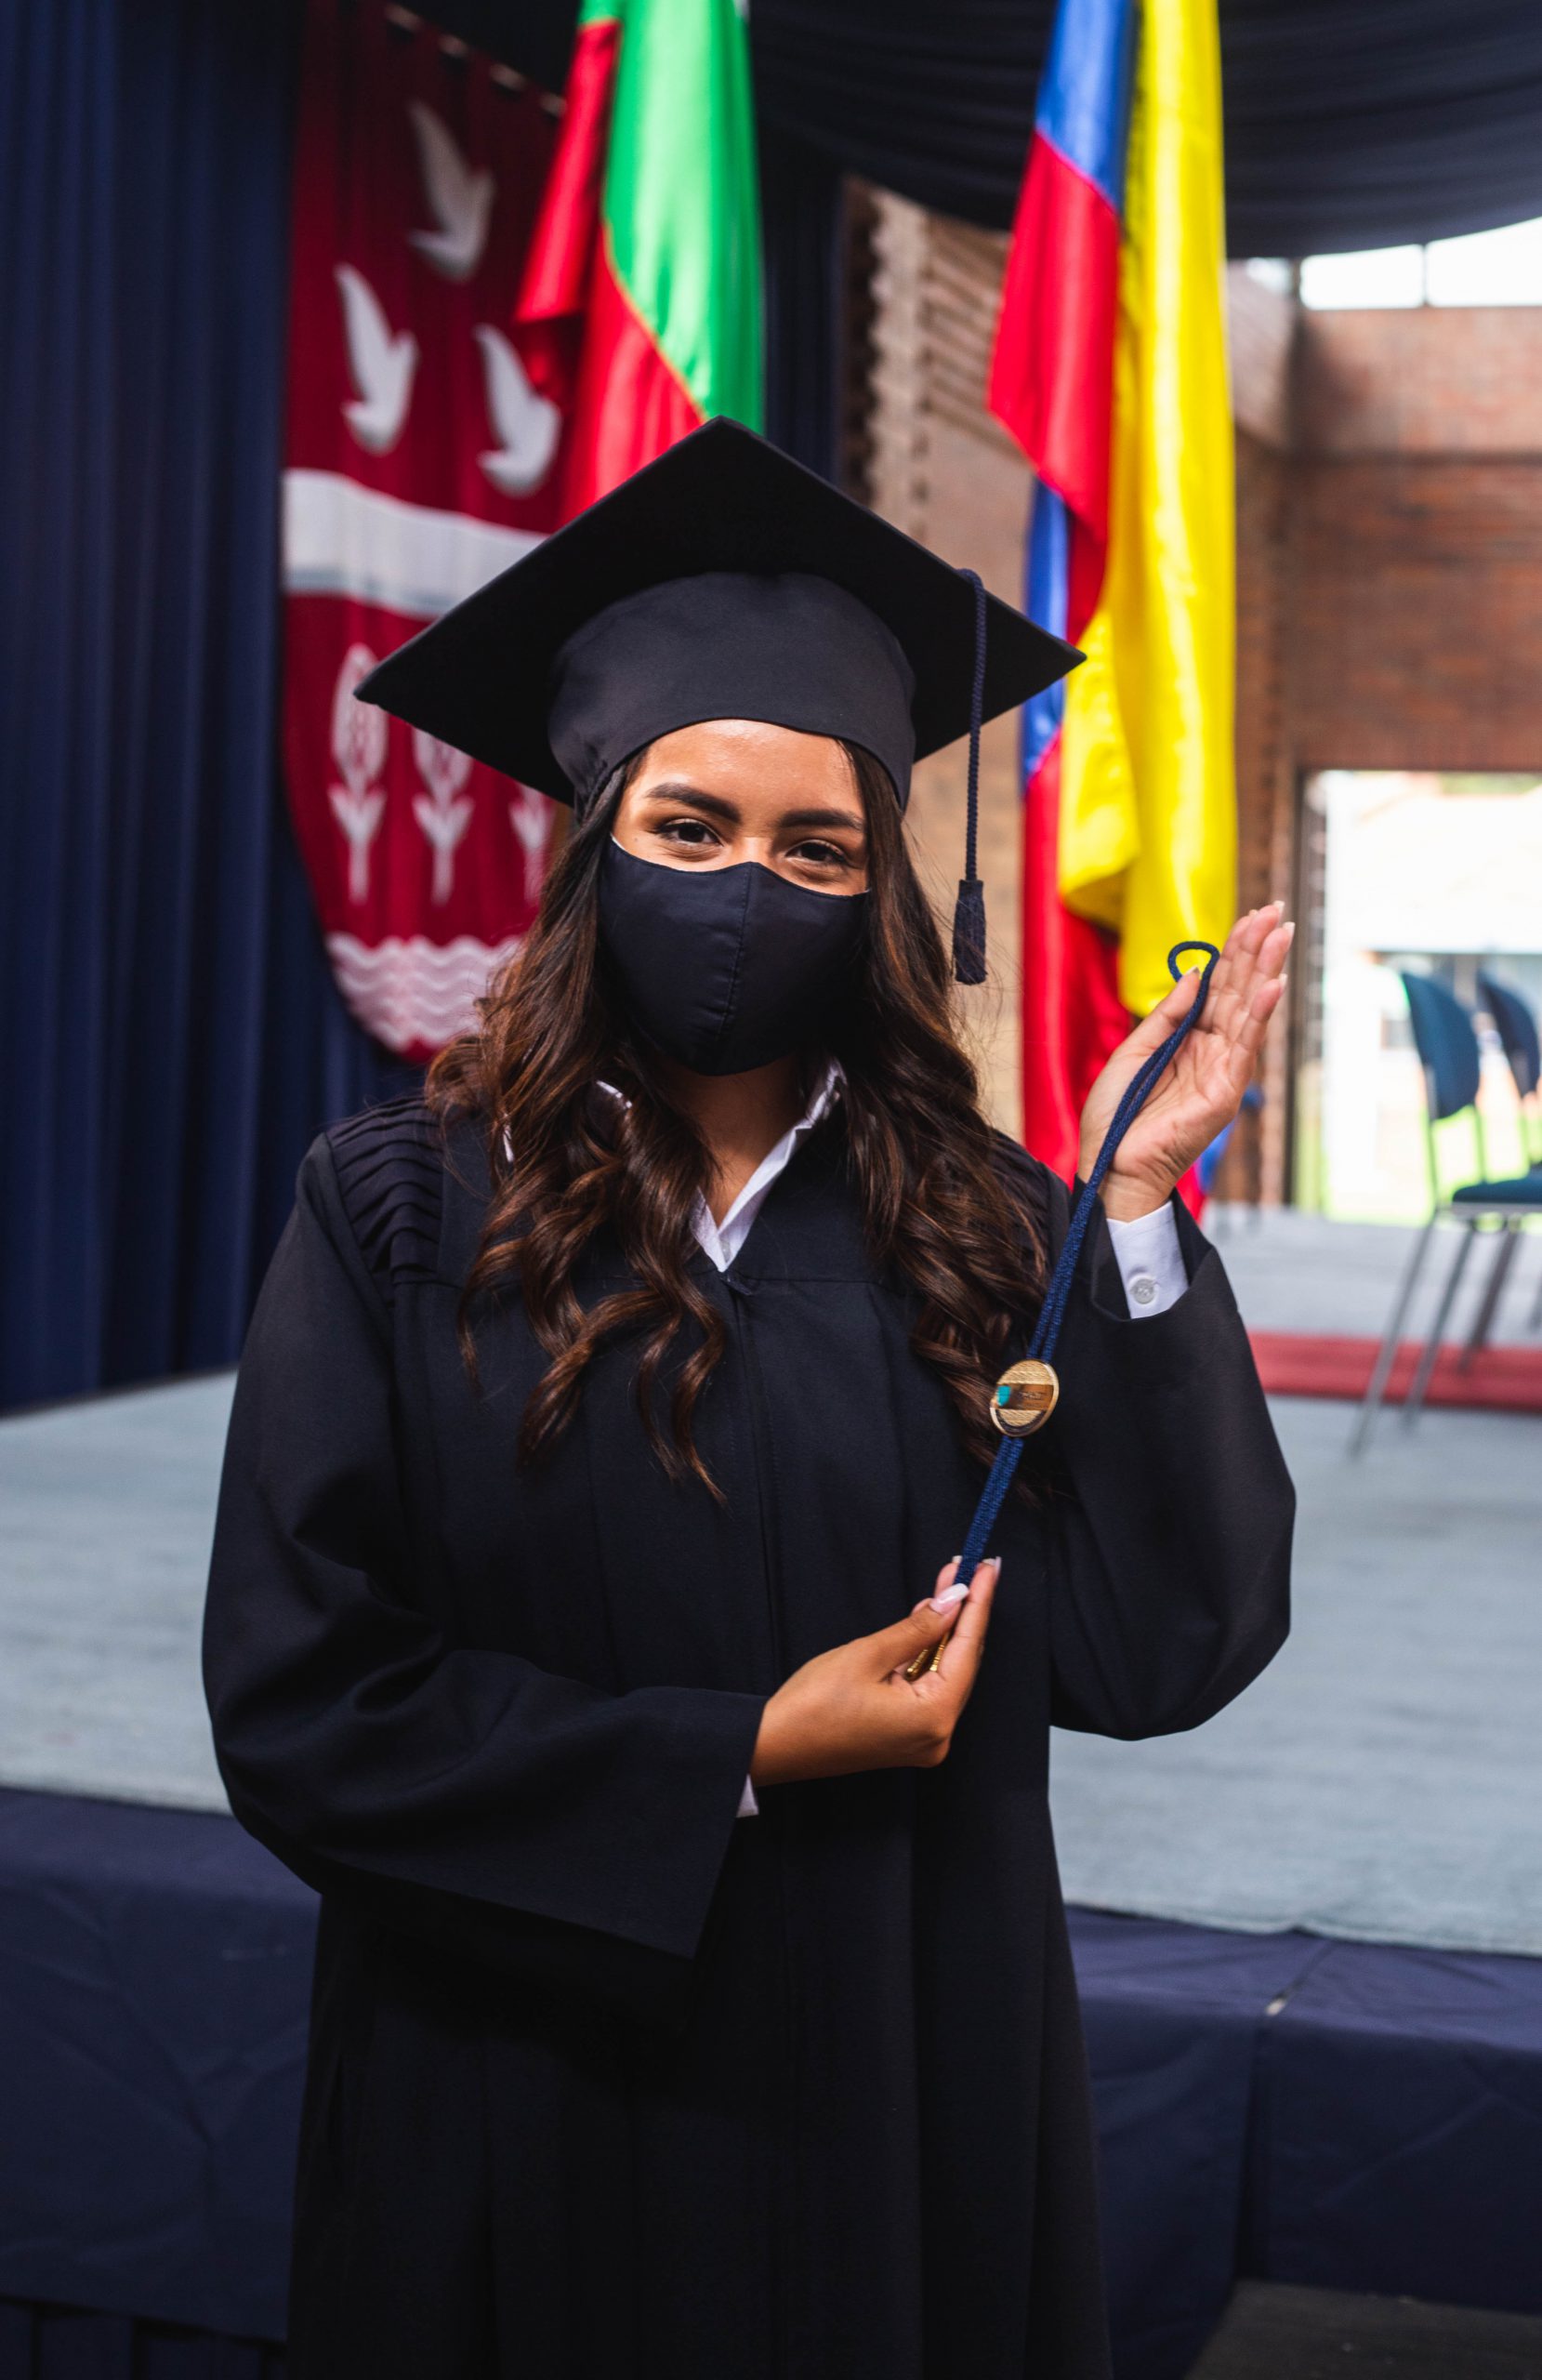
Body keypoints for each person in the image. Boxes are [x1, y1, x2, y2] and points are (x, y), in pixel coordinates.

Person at [202, 419, 1294, 2380]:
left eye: (815, 848)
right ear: (592, 844)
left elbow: (1164, 1641)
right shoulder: (402, 1209)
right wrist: (740, 1751)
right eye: (689, 829)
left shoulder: (981, 1227)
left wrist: (1129, 1206)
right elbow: (304, 1701)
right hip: (517, 2082)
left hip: (900, 2076)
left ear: (881, 887)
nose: (745, 888)